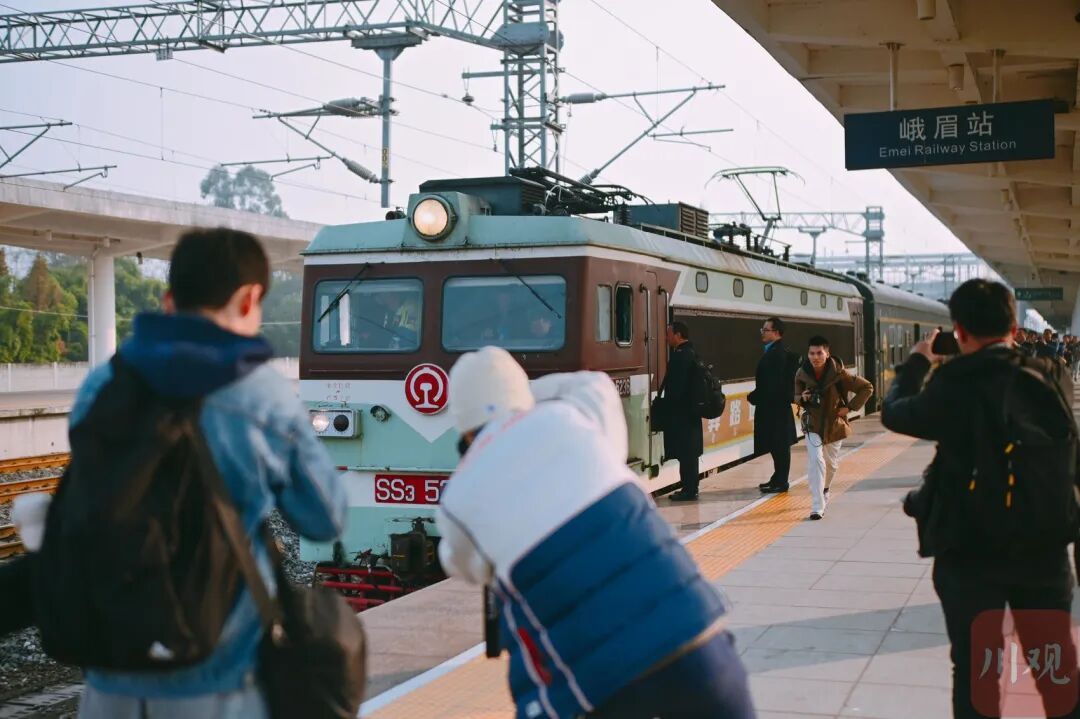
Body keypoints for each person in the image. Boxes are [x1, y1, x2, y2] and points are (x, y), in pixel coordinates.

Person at [71, 228, 347, 719]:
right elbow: (324, 518)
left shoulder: (102, 384)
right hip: (219, 682)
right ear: (249, 299)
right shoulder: (262, 394)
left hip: (107, 678)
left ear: (169, 299)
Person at [436, 347, 756, 719]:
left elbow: (463, 565)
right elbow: (593, 383)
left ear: (462, 424)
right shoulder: (572, 418)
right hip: (698, 643)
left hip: (598, 685)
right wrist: (523, 399)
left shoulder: (459, 496)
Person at [882, 279, 1080, 719]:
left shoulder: (953, 380)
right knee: (1055, 670)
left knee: (978, 673)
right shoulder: (1053, 375)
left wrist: (916, 362)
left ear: (959, 330)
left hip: (970, 553)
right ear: (1014, 325)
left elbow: (895, 412)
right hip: (1043, 552)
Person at [793, 337, 873, 520]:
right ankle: (817, 505)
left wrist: (850, 408)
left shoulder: (840, 373)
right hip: (812, 423)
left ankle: (826, 488)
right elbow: (795, 394)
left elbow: (867, 387)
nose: (815, 357)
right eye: (812, 353)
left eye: (819, 353)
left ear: (827, 354)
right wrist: (802, 398)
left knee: (831, 464)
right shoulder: (801, 373)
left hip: (834, 424)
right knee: (816, 461)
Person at [749, 317, 797, 494]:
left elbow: (772, 385)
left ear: (776, 333)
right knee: (777, 446)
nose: (762, 332)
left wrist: (754, 397)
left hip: (775, 409)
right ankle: (777, 478)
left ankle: (781, 482)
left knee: (779, 446)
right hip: (775, 409)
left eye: (765, 330)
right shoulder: (775, 351)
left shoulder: (777, 354)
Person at [660, 321, 705, 501]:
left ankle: (688, 489)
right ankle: (691, 487)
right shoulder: (692, 353)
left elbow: (676, 389)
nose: (666, 337)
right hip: (691, 413)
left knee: (686, 453)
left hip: (682, 414)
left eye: (669, 333)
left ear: (678, 335)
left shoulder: (680, 356)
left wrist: (669, 407)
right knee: (690, 453)